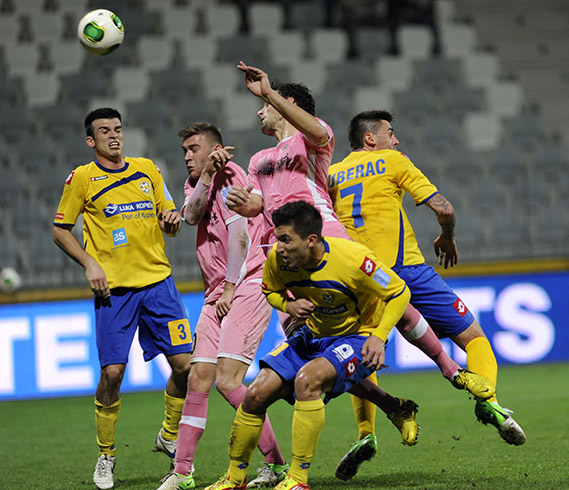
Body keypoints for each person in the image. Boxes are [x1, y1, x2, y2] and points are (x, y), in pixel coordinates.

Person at [222, 62, 492, 480]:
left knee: (388, 300)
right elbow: (262, 203)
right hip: (288, 258)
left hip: (326, 242)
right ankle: (392, 407)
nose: (259, 111)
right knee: (321, 347)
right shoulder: (258, 159)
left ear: (287, 103)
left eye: (267, 105)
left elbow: (314, 132)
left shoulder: (313, 142)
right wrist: (245, 204)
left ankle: (452, 371)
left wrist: (268, 92)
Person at [328, 110, 527, 448]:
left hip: (361, 277)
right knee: (474, 338)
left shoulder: (331, 175)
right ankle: (489, 402)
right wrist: (447, 236)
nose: (396, 140)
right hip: (407, 270)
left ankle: (366, 434)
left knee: (363, 355)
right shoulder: (393, 160)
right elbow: (444, 208)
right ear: (370, 139)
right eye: (390, 133)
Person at [203, 201, 417, 490]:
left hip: (358, 337)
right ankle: (234, 479)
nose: (278, 247)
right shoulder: (278, 260)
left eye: (285, 239)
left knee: (308, 381)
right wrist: (288, 305)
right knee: (255, 394)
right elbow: (270, 290)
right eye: (277, 238)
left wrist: (379, 337)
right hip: (313, 335)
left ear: (311, 240)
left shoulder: (353, 260)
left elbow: (399, 291)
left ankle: (297, 479)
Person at [52, 107, 192, 490]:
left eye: (117, 129)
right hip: (113, 291)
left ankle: (168, 434)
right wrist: (90, 263)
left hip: (159, 285)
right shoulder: (82, 178)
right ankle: (106, 454)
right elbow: (60, 230)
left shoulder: (148, 169)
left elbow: (170, 220)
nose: (114, 135)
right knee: (112, 374)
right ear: (90, 140)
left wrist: (171, 222)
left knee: (185, 367)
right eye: (104, 131)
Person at [157, 123, 287, 490]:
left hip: (248, 283)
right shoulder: (197, 182)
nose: (187, 156)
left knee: (228, 380)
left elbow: (240, 237)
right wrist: (205, 176)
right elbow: (190, 216)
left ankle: (275, 464)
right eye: (184, 150)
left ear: (215, 149)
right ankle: (182, 472)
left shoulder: (232, 176)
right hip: (217, 291)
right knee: (198, 377)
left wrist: (230, 289)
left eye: (194, 149)